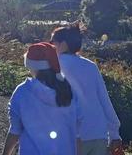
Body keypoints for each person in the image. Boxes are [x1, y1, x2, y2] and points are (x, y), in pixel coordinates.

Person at [51, 24, 123, 155]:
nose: (51, 45)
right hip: (98, 133)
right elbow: (104, 100)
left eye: (53, 42)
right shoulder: (90, 66)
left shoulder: (55, 65)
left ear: (63, 44)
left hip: (72, 135)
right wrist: (114, 134)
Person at [2, 42, 82, 155]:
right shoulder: (69, 92)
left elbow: (15, 132)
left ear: (31, 65)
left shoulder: (22, 92)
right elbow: (77, 135)